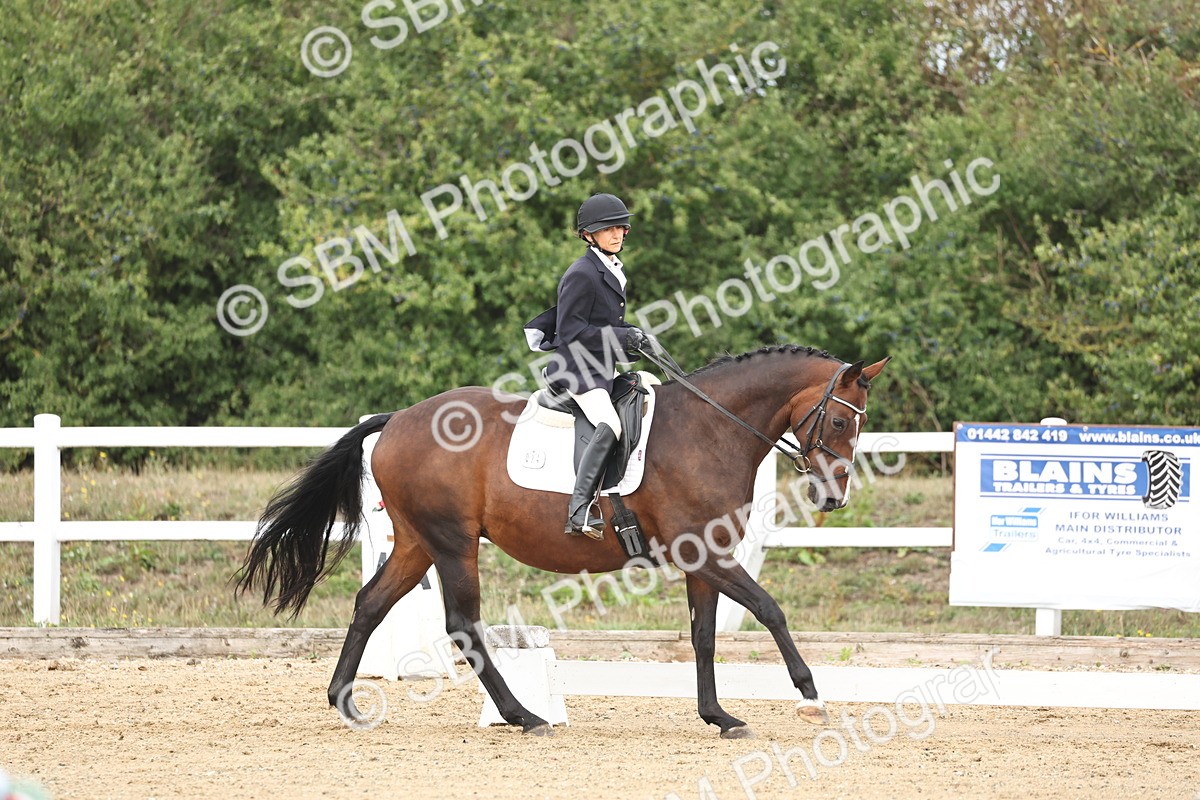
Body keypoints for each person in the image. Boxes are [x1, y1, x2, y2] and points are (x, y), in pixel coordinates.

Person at [524, 193, 651, 537]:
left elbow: (605, 324)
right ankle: (579, 510)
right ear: (588, 235)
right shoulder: (582, 273)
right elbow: (571, 330)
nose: (617, 234)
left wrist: (634, 337)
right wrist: (618, 337)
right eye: (607, 229)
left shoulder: (610, 269)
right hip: (577, 371)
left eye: (621, 227)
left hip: (600, 368)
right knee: (611, 423)